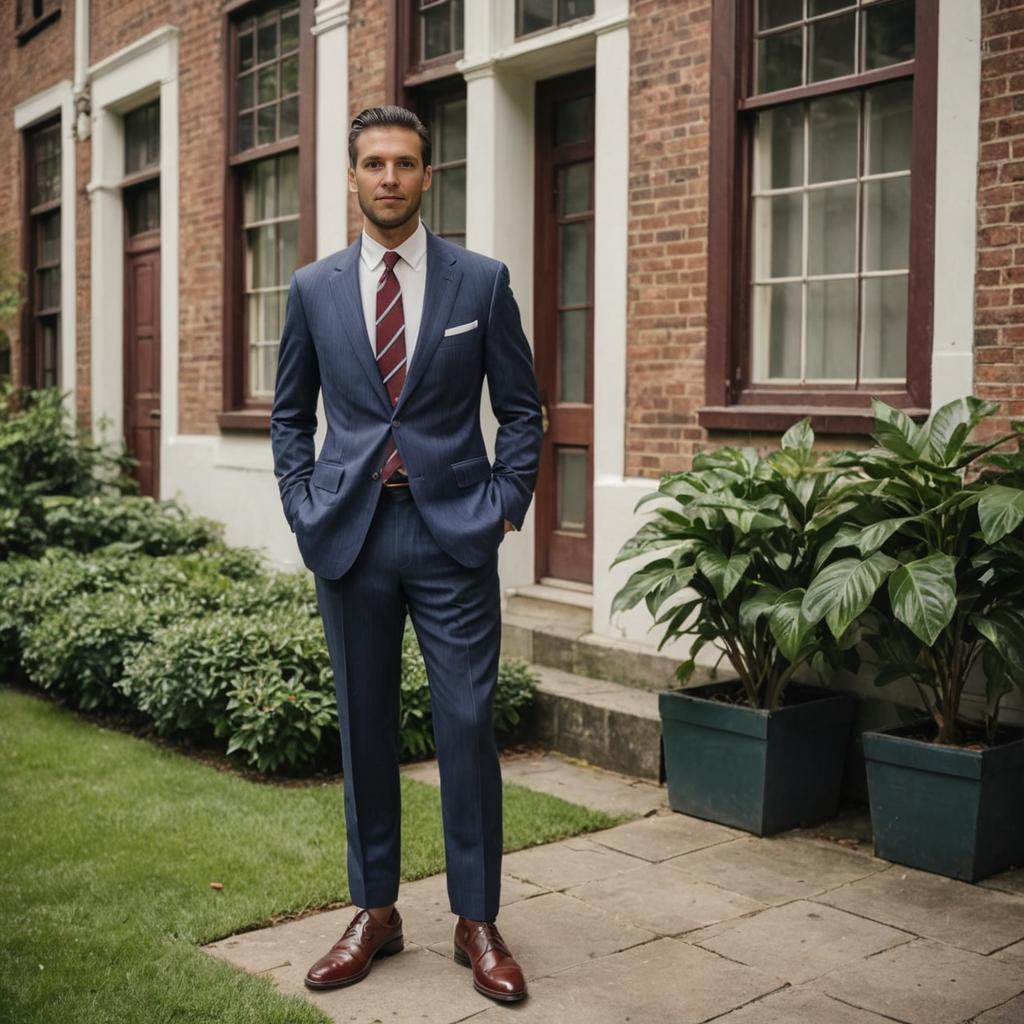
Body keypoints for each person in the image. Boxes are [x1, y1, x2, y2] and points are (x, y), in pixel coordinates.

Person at [270, 105, 543, 1004]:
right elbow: (288, 417)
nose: (389, 177)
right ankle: (375, 912)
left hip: (452, 533)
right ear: (351, 178)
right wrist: (306, 513)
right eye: (374, 163)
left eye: (406, 163)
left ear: (430, 176)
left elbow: (524, 409)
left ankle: (477, 920)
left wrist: (504, 505)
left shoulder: (481, 282)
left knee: (467, 726)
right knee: (365, 728)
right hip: (350, 534)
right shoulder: (313, 289)